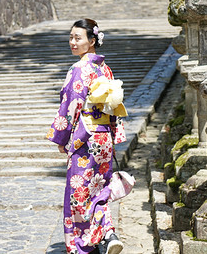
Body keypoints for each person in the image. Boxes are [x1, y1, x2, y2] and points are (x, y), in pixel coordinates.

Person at [47, 18, 127, 254]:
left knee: (79, 192)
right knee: (99, 189)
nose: (73, 42)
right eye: (71, 37)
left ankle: (83, 246)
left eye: (78, 38)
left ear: (92, 41)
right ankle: (108, 233)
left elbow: (71, 104)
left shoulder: (80, 69)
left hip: (85, 138)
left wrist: (61, 138)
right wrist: (113, 135)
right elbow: (114, 106)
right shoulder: (104, 68)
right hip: (103, 139)